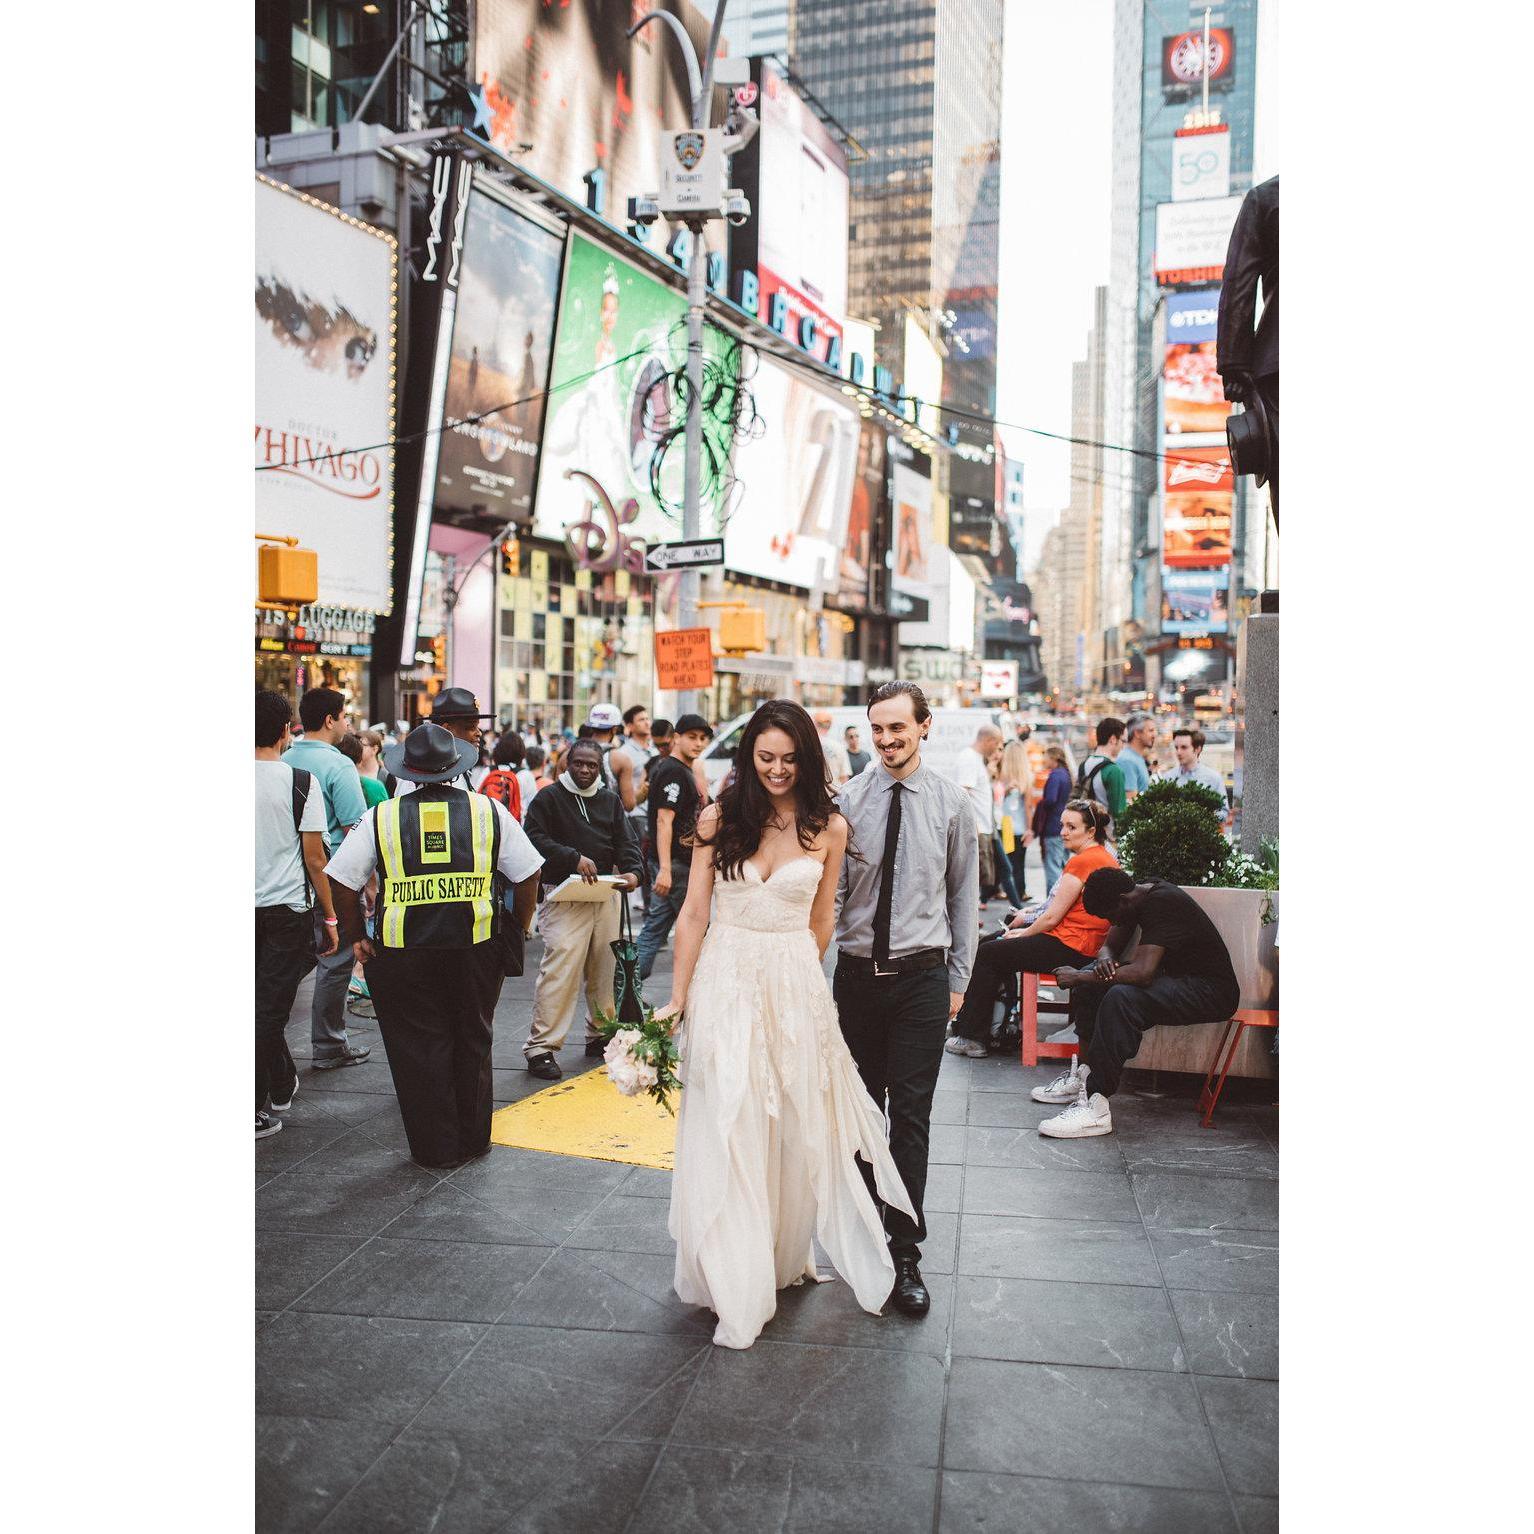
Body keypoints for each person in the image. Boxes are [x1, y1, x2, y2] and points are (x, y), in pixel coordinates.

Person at [655, 699, 916, 1350]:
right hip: (726, 978)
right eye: (764, 758)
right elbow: (692, 915)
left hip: (793, 982)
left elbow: (824, 916)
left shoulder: (829, 827)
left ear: (808, 759)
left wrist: (801, 972)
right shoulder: (717, 819)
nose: (776, 770)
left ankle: (778, 1254)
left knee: (787, 1124)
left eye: (788, 759)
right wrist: (678, 996)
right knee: (731, 1120)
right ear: (749, 757)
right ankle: (734, 1275)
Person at [325, 723, 543, 1168]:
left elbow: (341, 879)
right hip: (476, 947)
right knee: (473, 1039)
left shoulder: (382, 816)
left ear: (409, 771)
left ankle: (435, 1149)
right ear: (454, 768)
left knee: (417, 1050)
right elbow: (528, 873)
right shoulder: (489, 812)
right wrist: (515, 928)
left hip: (403, 954)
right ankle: (473, 1139)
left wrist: (357, 937)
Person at [833, 681, 979, 1318]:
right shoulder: (845, 801)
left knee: (910, 1119)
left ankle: (905, 1250)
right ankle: (864, 1234)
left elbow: (964, 898)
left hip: (923, 978)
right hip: (856, 977)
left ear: (925, 727)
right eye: (878, 729)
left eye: (899, 728)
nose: (887, 740)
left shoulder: (951, 804)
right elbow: (831, 897)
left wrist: (959, 983)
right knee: (862, 1114)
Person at [1038, 866, 1240, 1139]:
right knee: (1093, 984)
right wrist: (1103, 961)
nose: (1112, 921)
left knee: (1121, 997)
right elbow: (1110, 946)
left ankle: (1096, 1109)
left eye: (1110, 915)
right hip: (1178, 979)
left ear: (1123, 900)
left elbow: (1143, 974)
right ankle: (1084, 1079)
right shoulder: (1137, 896)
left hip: (1211, 991)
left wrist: (1082, 977)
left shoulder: (1163, 903)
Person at [946, 799, 1117, 1057]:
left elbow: (1051, 917)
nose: (1063, 832)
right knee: (992, 944)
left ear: (1091, 831)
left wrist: (1022, 933)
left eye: (1072, 827)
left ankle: (974, 1036)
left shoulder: (1083, 862)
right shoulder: (1103, 855)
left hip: (1072, 947)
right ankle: (989, 1026)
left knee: (989, 953)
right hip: (1082, 945)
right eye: (1062, 825)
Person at [521, 739, 644, 1079]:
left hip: (606, 893)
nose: (586, 770)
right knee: (560, 970)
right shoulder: (548, 799)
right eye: (579, 764)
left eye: (592, 765)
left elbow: (626, 842)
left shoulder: (610, 800)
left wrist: (634, 872)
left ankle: (599, 1033)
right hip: (564, 895)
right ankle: (541, 1047)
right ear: (567, 764)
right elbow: (532, 838)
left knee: (604, 970)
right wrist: (571, 857)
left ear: (600, 766)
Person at [254, 690, 337, 1138]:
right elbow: (316, 860)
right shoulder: (300, 782)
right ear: (287, 730)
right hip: (286, 911)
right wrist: (330, 917)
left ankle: (281, 1083)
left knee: (262, 1009)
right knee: (268, 1011)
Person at [284, 687, 371, 1070]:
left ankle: (270, 1042)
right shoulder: (338, 766)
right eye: (345, 717)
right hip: (331, 877)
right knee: (335, 962)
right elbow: (356, 829)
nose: (348, 724)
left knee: (288, 961)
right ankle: (329, 1044)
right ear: (329, 720)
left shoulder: (283, 758)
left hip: (288, 878)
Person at [636, 714, 712, 980]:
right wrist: (665, 869)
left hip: (678, 864)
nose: (698, 743)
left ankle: (625, 994)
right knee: (699, 930)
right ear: (676, 738)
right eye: (692, 737)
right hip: (677, 866)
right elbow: (663, 820)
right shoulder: (674, 772)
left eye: (703, 738)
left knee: (656, 927)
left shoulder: (681, 770)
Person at [953, 722, 1004, 903]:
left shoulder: (975, 758)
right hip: (977, 828)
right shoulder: (969, 758)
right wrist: (972, 826)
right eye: (997, 743)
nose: (998, 748)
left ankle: (973, 922)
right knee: (974, 879)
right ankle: (969, 926)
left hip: (983, 827)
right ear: (989, 740)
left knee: (981, 879)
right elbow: (963, 794)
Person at [620, 704, 659, 909]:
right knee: (640, 857)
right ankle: (642, 902)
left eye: (647, 718)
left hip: (654, 812)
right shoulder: (624, 753)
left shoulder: (653, 750)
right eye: (641, 720)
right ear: (629, 726)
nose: (646, 722)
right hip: (636, 812)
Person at [997, 739, 1035, 904]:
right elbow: (1028, 807)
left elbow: (996, 801)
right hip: (1019, 826)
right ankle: (1020, 891)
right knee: (1018, 862)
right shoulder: (1026, 777)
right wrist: (1029, 829)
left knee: (1008, 861)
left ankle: (1011, 891)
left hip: (1006, 824)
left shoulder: (1000, 775)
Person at [1032, 745, 1073, 895]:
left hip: (1053, 826)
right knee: (1064, 867)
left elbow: (1050, 799)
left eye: (1046, 757)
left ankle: (1052, 902)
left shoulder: (1055, 775)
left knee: (1052, 868)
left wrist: (1040, 804)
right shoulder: (1066, 775)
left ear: (1054, 758)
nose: (1044, 760)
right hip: (1064, 825)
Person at [1075, 717, 1128, 832]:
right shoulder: (1114, 770)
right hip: (1108, 834)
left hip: (1087, 832)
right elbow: (1119, 813)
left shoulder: (1083, 765)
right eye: (1123, 741)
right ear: (1113, 739)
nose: (1123, 746)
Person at [585, 702, 638, 809]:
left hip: (574, 823)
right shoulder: (622, 760)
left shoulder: (568, 755)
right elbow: (629, 804)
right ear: (614, 729)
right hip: (605, 822)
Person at [1159, 726, 1227, 798]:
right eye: (1176, 747)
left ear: (1197, 749)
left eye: (1184, 747)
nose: (1178, 752)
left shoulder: (1213, 778)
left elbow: (1223, 808)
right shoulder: (1168, 777)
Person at [478, 733, 526, 821]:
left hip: (489, 824)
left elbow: (476, 795)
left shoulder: (488, 771)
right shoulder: (524, 774)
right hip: (514, 827)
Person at [1119, 713, 1155, 801]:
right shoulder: (1127, 761)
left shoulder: (1137, 758)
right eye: (1151, 730)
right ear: (1137, 733)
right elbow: (1130, 801)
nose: (1155, 735)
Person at [813, 709, 852, 789]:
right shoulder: (839, 747)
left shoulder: (807, 745)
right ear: (830, 725)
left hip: (812, 796)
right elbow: (844, 778)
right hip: (834, 796)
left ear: (815, 724)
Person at [353, 729, 391, 809]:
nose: (357, 748)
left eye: (361, 745)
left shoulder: (386, 775)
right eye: (355, 744)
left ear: (374, 749)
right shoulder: (350, 771)